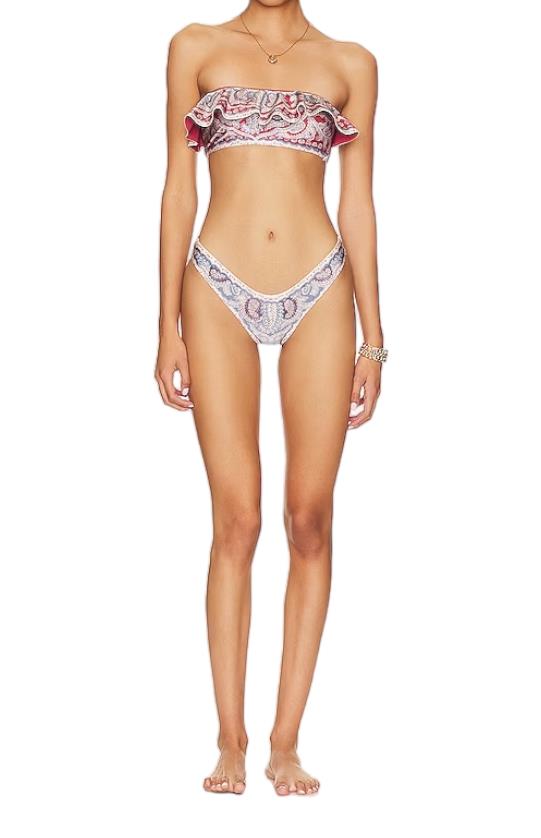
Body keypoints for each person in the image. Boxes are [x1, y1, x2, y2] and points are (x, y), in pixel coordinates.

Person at [155, 0, 387, 796]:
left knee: (309, 519)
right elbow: (177, 190)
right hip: (214, 283)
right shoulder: (195, 46)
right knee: (238, 519)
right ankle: (230, 739)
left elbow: (357, 203)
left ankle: (285, 744)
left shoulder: (350, 62)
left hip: (321, 287)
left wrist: (374, 338)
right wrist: (164, 326)